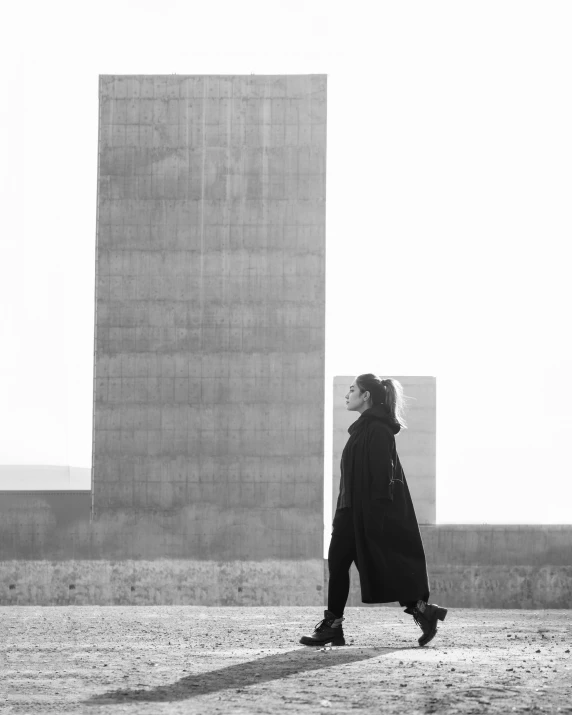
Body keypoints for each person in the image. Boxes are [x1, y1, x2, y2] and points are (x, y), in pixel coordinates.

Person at [300, 374, 447, 647]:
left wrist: (373, 519)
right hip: (349, 511)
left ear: (366, 395)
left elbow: (382, 478)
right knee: (341, 564)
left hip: (363, 514)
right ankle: (334, 626)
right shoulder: (363, 429)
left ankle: (421, 610)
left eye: (352, 389)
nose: (347, 395)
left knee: (382, 564)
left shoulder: (377, 430)